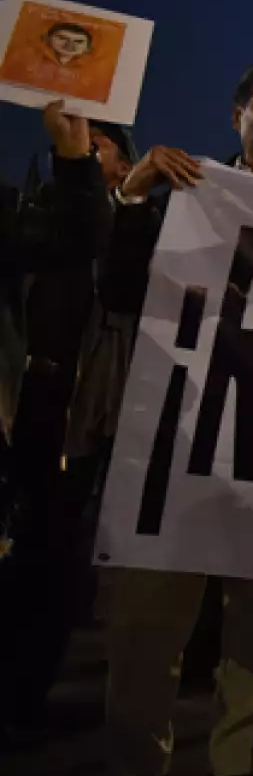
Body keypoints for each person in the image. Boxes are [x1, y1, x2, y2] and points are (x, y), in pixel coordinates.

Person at [98, 56, 253, 776]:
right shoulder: (185, 195)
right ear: (238, 116)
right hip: (174, 438)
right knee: (145, 623)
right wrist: (132, 198)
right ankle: (137, 766)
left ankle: (236, 770)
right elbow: (118, 292)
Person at [0, 101, 120, 741]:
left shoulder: (121, 233)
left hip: (76, 417)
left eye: (102, 145)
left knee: (49, 562)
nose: (89, 149)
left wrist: (77, 162)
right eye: (81, 144)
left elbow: (86, 233)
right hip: (18, 402)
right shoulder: (29, 214)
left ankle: (23, 698)